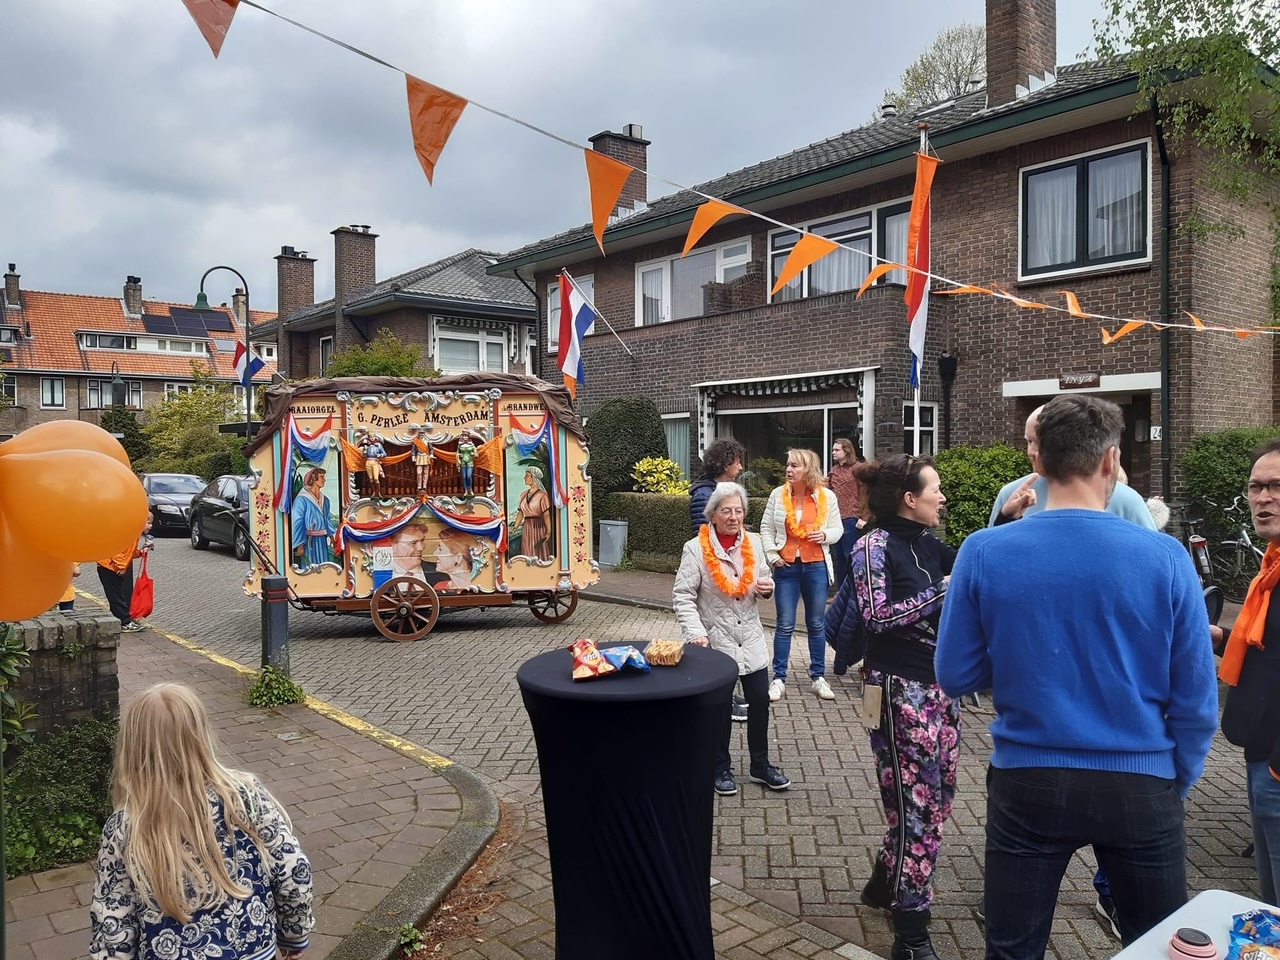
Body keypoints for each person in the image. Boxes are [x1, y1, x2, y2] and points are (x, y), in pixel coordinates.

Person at [936, 394, 1219, 955]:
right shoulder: (1166, 558)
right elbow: (1196, 700)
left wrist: (1025, 657)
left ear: (1038, 461)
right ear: (1111, 460)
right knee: (1159, 946)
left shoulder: (983, 550)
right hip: (1142, 781)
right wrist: (1171, 780)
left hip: (1027, 774)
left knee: (1013, 947)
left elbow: (955, 671)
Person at [89, 683, 314, 960]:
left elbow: (112, 918)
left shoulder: (124, 826)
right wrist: (294, 934)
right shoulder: (247, 795)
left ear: (131, 748)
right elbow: (292, 869)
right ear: (201, 735)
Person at [842, 453, 957, 960]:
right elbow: (877, 616)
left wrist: (1011, 519)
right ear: (910, 499)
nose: (944, 496)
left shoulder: (932, 544)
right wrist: (939, 593)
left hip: (941, 688)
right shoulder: (872, 545)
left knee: (938, 799)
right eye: (936, 488)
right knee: (917, 808)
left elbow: (982, 565)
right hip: (894, 689)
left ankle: (880, 885)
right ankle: (911, 936)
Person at [673, 482, 790, 795]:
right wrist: (695, 632)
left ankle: (760, 766)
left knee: (760, 702)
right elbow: (683, 596)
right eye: (727, 510)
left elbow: (762, 582)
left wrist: (768, 589)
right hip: (715, 641)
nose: (734, 516)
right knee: (720, 707)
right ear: (713, 514)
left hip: (750, 638)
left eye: (739, 510)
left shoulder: (754, 543)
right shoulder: (695, 549)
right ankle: (719, 767)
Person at [1211, 436, 1280, 906]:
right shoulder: (1272, 567)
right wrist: (1217, 638)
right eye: (1256, 486)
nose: (1262, 498)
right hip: (1260, 756)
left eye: (1277, 486)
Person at [759, 448, 843, 702]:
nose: (788, 469)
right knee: (784, 624)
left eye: (795, 465)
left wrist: (826, 536)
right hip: (786, 566)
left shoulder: (826, 496)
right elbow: (765, 527)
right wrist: (773, 556)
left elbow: (837, 528)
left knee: (816, 623)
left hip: (816, 564)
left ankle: (818, 677)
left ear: (808, 469)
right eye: (788, 464)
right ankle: (778, 679)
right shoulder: (777, 495)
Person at [989, 405, 1156, 530]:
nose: (1031, 452)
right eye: (1028, 441)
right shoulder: (1011, 494)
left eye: (1037, 442)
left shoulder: (1127, 500)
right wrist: (1005, 519)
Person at [688, 438, 750, 724]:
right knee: (712, 640)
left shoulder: (724, 492)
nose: (740, 466)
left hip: (727, 572)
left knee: (727, 639)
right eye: (737, 461)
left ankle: (726, 694)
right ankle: (716, 697)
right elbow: (703, 536)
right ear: (726, 464)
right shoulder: (705, 494)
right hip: (712, 576)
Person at [827, 437, 869, 589]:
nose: (833, 452)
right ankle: (840, 591)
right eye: (833, 449)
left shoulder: (859, 469)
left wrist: (865, 516)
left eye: (837, 450)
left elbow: (867, 492)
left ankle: (854, 590)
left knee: (850, 555)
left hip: (851, 516)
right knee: (838, 557)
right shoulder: (834, 470)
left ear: (847, 450)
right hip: (835, 518)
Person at [97, 517, 152, 632]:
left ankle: (118, 620)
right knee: (117, 596)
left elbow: (129, 553)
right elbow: (117, 550)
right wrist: (121, 566)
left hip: (110, 566)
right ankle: (125, 622)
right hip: (109, 567)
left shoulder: (133, 535)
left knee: (116, 595)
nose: (151, 526)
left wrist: (141, 552)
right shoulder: (129, 534)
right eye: (148, 523)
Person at [689, 439, 746, 533]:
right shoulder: (703, 495)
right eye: (737, 463)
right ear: (726, 466)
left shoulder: (726, 491)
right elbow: (703, 533)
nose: (740, 468)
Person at [291, 467, 337, 571]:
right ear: (313, 477)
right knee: (309, 568)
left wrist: (333, 540)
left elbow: (327, 521)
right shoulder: (301, 499)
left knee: (323, 567)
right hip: (308, 542)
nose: (324, 479)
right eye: (321, 477)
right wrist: (300, 545)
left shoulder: (325, 500)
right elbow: (297, 522)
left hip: (322, 541)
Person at [512, 466, 553, 561]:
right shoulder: (522, 495)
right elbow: (521, 513)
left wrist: (548, 532)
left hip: (538, 527)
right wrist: (515, 528)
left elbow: (546, 515)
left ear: (534, 477)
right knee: (527, 550)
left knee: (538, 551)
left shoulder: (543, 496)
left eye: (527, 475)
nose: (524, 478)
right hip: (526, 527)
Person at [362, 433, 388, 498]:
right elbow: (363, 456)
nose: (372, 438)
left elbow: (384, 453)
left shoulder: (378, 445)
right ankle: (374, 492)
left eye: (373, 436)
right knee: (371, 478)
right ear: (369, 438)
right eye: (371, 437)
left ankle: (378, 492)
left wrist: (380, 455)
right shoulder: (367, 445)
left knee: (376, 478)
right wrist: (364, 451)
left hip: (375, 461)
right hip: (368, 461)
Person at [457, 433, 479, 497]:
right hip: (463, 462)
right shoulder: (460, 445)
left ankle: (470, 489)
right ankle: (466, 490)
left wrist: (473, 454)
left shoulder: (471, 445)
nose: (464, 437)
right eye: (463, 436)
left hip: (470, 462)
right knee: (464, 477)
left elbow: (477, 454)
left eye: (465, 436)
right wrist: (459, 455)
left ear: (468, 437)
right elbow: (457, 453)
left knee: (469, 476)